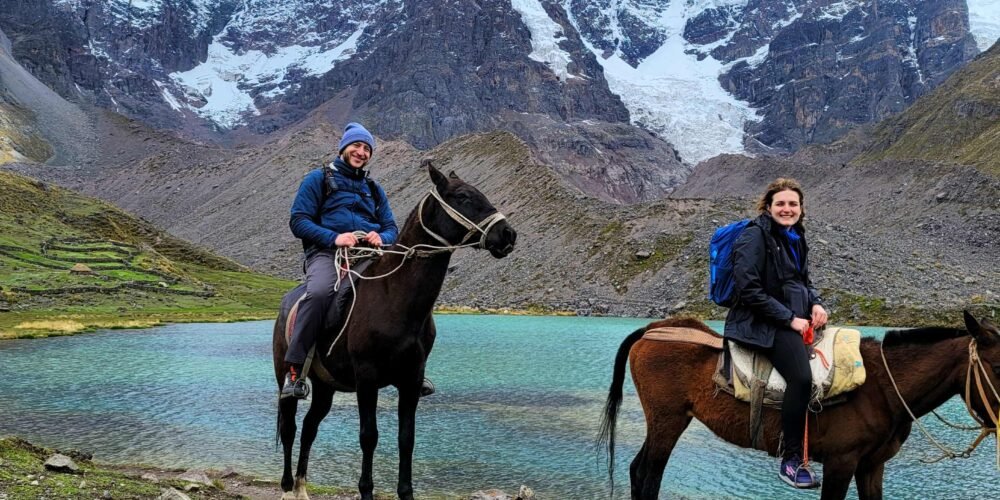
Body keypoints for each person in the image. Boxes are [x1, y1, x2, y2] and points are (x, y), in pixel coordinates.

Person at [723, 177, 829, 489]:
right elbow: (749, 289)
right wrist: (789, 319)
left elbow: (801, 283)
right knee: (801, 378)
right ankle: (792, 459)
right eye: (780, 203)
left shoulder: (794, 237)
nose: (787, 209)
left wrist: (817, 304)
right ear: (768, 207)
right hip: (759, 323)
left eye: (792, 204)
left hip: (790, 319)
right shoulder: (754, 237)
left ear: (801, 209)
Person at [282, 122, 398, 399]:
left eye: (367, 148)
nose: (361, 152)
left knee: (404, 289)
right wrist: (335, 238)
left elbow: (392, 227)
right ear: (343, 147)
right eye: (356, 146)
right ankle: (294, 370)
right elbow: (298, 221)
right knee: (320, 292)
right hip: (327, 253)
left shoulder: (373, 187)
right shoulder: (317, 179)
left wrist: (380, 237)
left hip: (368, 254)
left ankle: (411, 368)